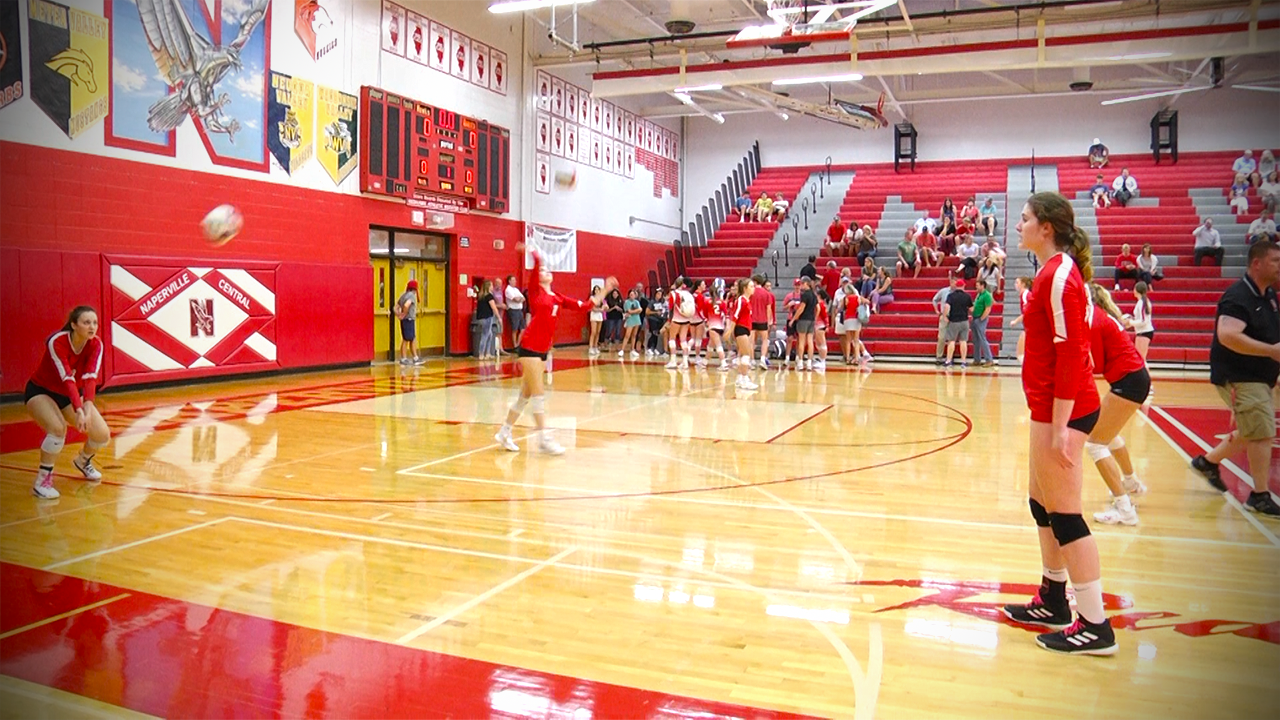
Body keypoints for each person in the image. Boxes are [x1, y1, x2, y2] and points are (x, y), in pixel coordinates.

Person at [1002, 191, 1116, 656]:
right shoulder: (1052, 273)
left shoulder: (1060, 275)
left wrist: (1062, 428)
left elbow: (1073, 352)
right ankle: (1053, 598)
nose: (1019, 225)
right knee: (1041, 504)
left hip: (1061, 409)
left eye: (1025, 219)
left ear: (1046, 227)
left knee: (1066, 514)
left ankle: (1095, 624)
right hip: (1046, 407)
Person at [1190, 240, 1280, 517]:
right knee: (1263, 432)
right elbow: (1227, 336)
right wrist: (1271, 352)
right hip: (1240, 376)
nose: (1279, 266)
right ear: (1257, 263)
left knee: (1253, 428)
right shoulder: (1238, 296)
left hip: (1258, 377)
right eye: (1275, 260)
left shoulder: (1268, 295)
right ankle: (1259, 495)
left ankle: (1207, 462)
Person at [495, 249, 614, 455]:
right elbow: (536, 263)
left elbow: (586, 305)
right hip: (529, 347)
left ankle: (504, 432)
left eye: (547, 270)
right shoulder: (535, 291)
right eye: (542, 271)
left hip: (542, 350)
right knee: (539, 395)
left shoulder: (558, 297)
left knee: (525, 395)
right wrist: (533, 253)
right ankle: (544, 439)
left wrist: (605, 289)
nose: (545, 271)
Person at [26, 306, 110, 499]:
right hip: (41, 391)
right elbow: (67, 378)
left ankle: (82, 461)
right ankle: (42, 481)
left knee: (101, 434)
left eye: (95, 323)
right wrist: (79, 409)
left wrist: (87, 409)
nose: (92, 327)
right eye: (86, 322)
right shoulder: (58, 342)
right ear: (73, 325)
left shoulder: (95, 344)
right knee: (57, 429)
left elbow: (90, 378)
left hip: (69, 395)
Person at [1086, 284, 1152, 527]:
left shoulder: (1093, 320)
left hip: (1128, 381)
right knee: (1108, 435)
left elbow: (1098, 365)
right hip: (1134, 378)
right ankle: (1131, 482)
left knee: (1094, 444)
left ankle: (1125, 510)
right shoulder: (1106, 317)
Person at [728, 277, 759, 390]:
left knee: (743, 355)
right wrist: (730, 331)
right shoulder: (741, 299)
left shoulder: (747, 300)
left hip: (745, 329)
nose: (753, 288)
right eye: (751, 286)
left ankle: (740, 379)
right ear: (745, 288)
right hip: (740, 329)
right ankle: (745, 380)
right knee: (746, 355)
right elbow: (735, 316)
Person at [942, 276, 972, 368]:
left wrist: (945, 316)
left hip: (953, 321)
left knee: (951, 341)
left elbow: (947, 307)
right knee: (963, 341)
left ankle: (948, 361)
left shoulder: (951, 296)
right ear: (963, 286)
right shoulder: (967, 296)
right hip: (964, 321)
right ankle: (963, 362)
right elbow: (971, 309)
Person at [790, 277, 818, 370]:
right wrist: (815, 317)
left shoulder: (805, 295)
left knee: (801, 341)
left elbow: (801, 308)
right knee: (810, 341)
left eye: (802, 284)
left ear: (806, 283)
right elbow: (818, 308)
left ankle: (801, 362)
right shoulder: (814, 295)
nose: (801, 286)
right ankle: (809, 363)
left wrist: (793, 319)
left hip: (803, 319)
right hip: (811, 319)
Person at [750, 274, 774, 369]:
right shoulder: (767, 294)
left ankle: (752, 361)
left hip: (751, 319)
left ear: (755, 282)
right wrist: (768, 321)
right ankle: (763, 359)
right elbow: (769, 309)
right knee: (764, 340)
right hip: (762, 320)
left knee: (751, 341)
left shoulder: (751, 292)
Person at [971, 278, 996, 367]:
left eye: (977, 285)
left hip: (980, 319)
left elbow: (988, 308)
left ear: (982, 286)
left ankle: (989, 359)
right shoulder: (979, 295)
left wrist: (981, 319)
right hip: (975, 317)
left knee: (982, 339)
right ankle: (977, 359)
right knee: (975, 339)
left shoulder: (987, 295)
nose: (976, 287)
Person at [396, 280, 422, 365]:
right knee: (409, 339)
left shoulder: (404, 295)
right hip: (409, 319)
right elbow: (407, 305)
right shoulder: (411, 296)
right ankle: (410, 358)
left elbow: (396, 307)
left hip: (404, 320)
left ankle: (412, 357)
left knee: (408, 338)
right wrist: (404, 313)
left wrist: (399, 315)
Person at [1127, 281, 1155, 362]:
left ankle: (1145, 374)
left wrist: (1130, 322)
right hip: (1142, 332)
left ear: (1136, 290)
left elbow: (1143, 321)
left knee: (1141, 359)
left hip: (1144, 332)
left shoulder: (1142, 302)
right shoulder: (1142, 302)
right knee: (1139, 358)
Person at [474, 279, 500, 360]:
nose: (492, 287)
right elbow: (494, 307)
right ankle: (481, 354)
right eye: (491, 285)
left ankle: (487, 353)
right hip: (487, 317)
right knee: (485, 335)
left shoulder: (481, 296)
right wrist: (499, 317)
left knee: (489, 334)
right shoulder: (489, 296)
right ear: (488, 287)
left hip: (480, 318)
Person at [1009, 276, 1032, 363]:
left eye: (1017, 283)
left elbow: (1027, 312)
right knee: (1021, 352)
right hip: (1027, 326)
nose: (1015, 285)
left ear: (1023, 284)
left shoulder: (1026, 294)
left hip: (1030, 326)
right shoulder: (1023, 295)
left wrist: (1016, 321)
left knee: (1020, 352)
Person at [619, 289, 643, 361]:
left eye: (633, 294)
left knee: (634, 335)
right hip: (630, 320)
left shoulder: (637, 302)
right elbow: (629, 311)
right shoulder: (626, 302)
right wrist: (636, 311)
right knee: (627, 335)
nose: (632, 296)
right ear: (629, 295)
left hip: (637, 319)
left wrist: (634, 311)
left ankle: (632, 349)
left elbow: (640, 310)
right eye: (631, 294)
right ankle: (622, 350)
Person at [504, 275, 527, 348]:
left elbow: (523, 298)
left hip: (519, 310)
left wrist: (519, 299)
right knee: (515, 329)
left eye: (515, 280)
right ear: (509, 281)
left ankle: (518, 344)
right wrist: (519, 299)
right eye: (513, 280)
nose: (515, 281)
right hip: (513, 310)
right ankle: (515, 345)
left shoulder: (516, 290)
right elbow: (515, 299)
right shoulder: (508, 290)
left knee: (523, 328)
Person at [587, 285, 604, 357]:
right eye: (595, 289)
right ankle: (590, 347)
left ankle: (595, 346)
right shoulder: (592, 298)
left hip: (600, 316)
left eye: (598, 289)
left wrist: (603, 308)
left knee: (598, 332)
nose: (597, 291)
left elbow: (605, 306)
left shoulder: (601, 298)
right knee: (593, 332)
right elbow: (592, 308)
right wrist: (601, 310)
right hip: (594, 315)